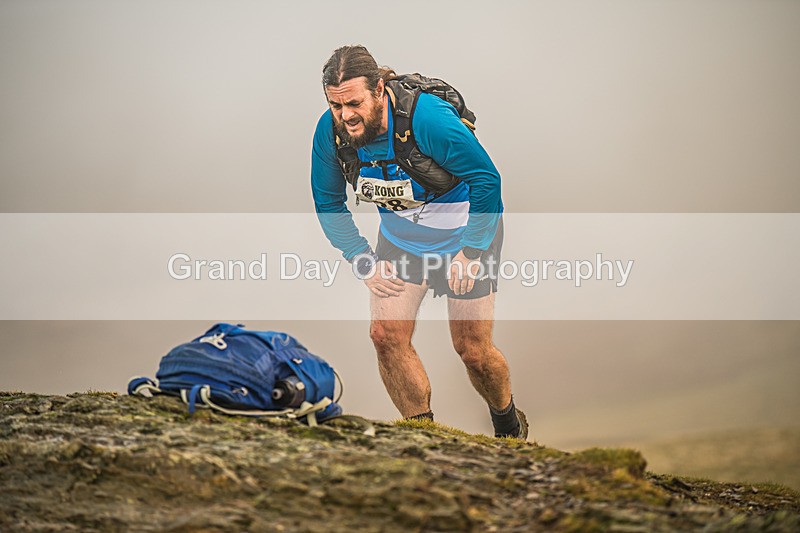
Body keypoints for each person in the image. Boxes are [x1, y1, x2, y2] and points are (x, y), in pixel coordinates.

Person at [310, 45, 527, 439]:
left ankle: (508, 427)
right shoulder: (331, 132)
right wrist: (361, 259)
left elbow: (487, 180)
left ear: (379, 89)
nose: (346, 116)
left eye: (354, 103)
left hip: (465, 235)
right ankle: (423, 439)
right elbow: (328, 203)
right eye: (335, 105)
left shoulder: (427, 119)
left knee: (473, 351)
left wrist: (472, 251)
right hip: (402, 241)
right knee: (385, 337)